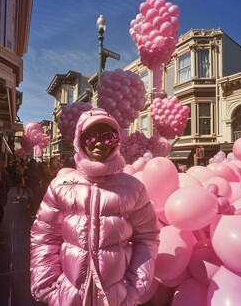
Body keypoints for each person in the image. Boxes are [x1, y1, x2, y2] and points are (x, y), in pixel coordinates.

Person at [30, 108, 160, 305]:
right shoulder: (60, 186)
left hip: (116, 298)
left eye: (109, 137)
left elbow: (147, 239)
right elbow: (44, 238)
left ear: (117, 142)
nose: (99, 143)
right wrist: (49, 287)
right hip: (69, 297)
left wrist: (133, 288)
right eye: (90, 137)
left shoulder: (133, 188)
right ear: (79, 140)